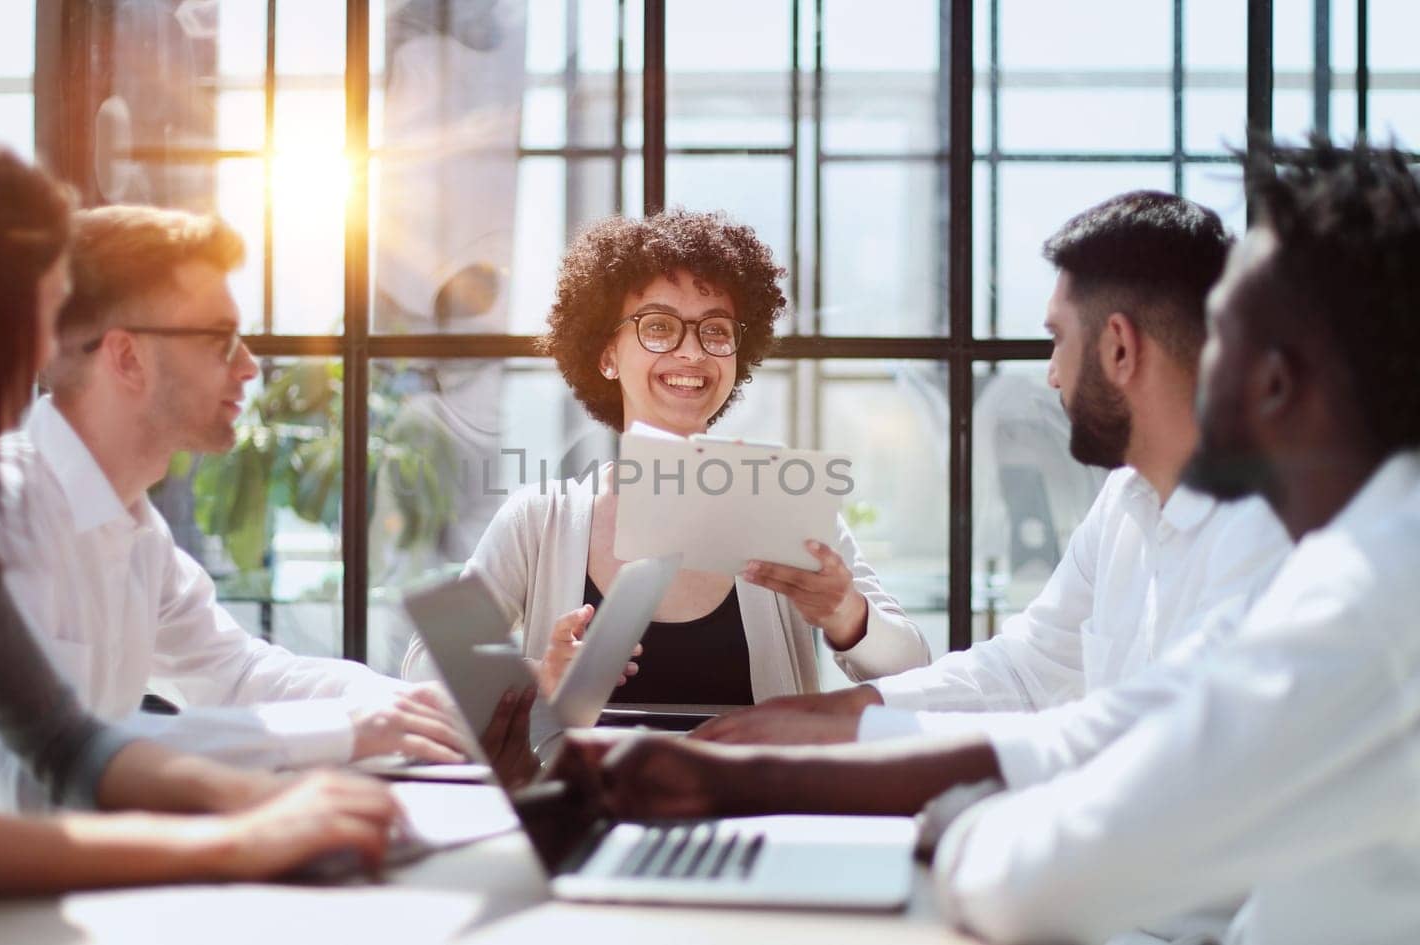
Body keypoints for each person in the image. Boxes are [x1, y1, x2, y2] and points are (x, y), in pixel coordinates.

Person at [580, 138, 1420, 944]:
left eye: (1221, 338)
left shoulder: (1365, 597)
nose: (1200, 366)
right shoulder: (1346, 552)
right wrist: (809, 744)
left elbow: (1055, 868)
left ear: (1275, 381)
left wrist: (942, 813)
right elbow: (1091, 716)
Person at [0, 135, 398, 944]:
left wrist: (264, 800)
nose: (45, 352)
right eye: (39, 314)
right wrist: (230, 843)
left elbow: (65, 738)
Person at [693, 191, 1291, 747]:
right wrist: (833, 715)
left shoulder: (1265, 534)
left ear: (1118, 348)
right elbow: (1024, 671)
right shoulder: (1125, 501)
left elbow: (1145, 750)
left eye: (1057, 339)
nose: (1051, 375)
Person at [0, 204, 467, 812]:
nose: (250, 366)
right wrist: (344, 728)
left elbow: (238, 675)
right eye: (219, 340)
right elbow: (39, 772)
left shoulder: (137, 530)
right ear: (127, 357)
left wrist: (412, 706)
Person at [401, 209, 929, 740]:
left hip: (750, 809)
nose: (692, 352)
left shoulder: (786, 512)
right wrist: (539, 676)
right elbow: (425, 667)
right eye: (658, 327)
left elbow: (916, 673)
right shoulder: (541, 518)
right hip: (584, 809)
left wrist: (845, 613)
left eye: (716, 330)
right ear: (607, 353)